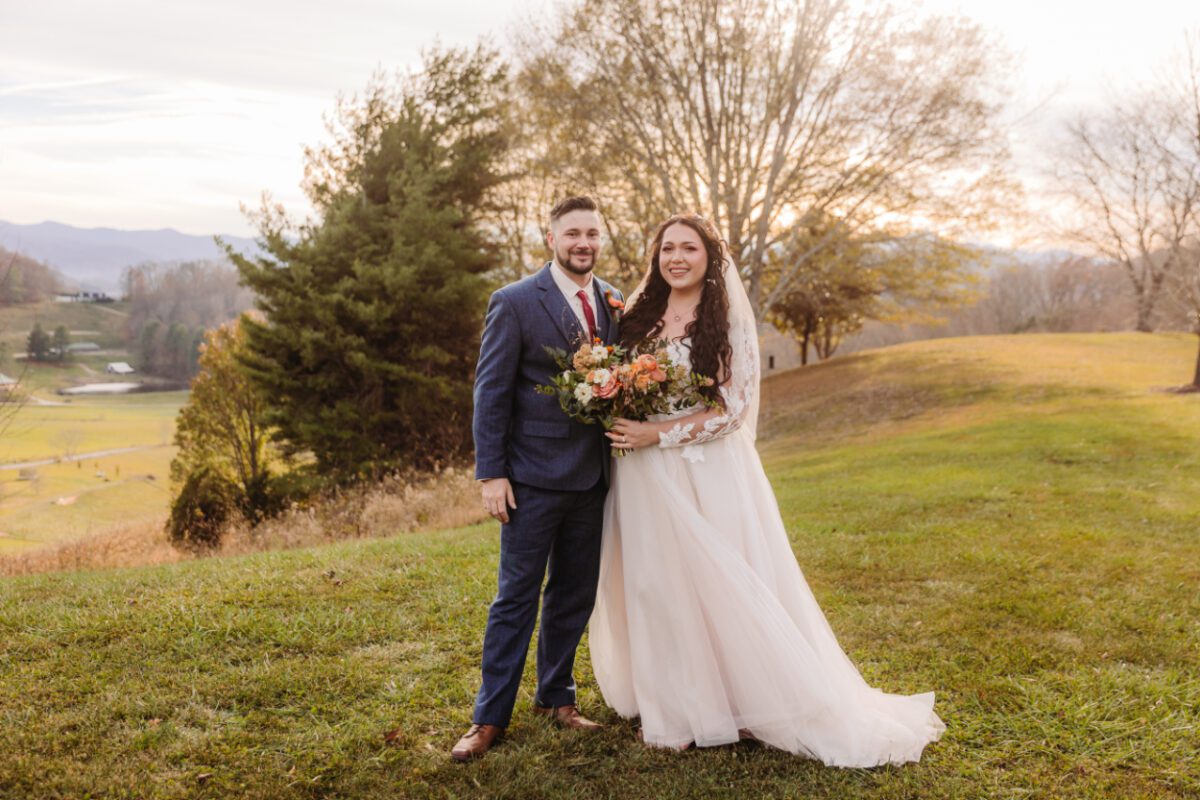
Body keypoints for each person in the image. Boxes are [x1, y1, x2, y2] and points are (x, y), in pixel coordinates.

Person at [589, 214, 945, 766]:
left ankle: (740, 700)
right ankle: (677, 706)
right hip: (641, 475)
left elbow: (731, 412)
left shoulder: (725, 317)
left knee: (720, 581)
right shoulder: (636, 315)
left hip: (704, 469)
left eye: (689, 248)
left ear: (710, 257)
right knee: (655, 584)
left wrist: (655, 433)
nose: (676, 257)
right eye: (667, 248)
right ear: (655, 256)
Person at [452, 196, 625, 761]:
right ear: (551, 238)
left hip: (594, 479)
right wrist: (492, 473)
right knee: (516, 599)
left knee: (573, 595)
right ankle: (488, 717)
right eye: (573, 233)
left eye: (592, 233)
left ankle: (558, 698)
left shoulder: (613, 302)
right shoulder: (516, 302)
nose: (584, 243)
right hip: (529, 480)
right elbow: (491, 391)